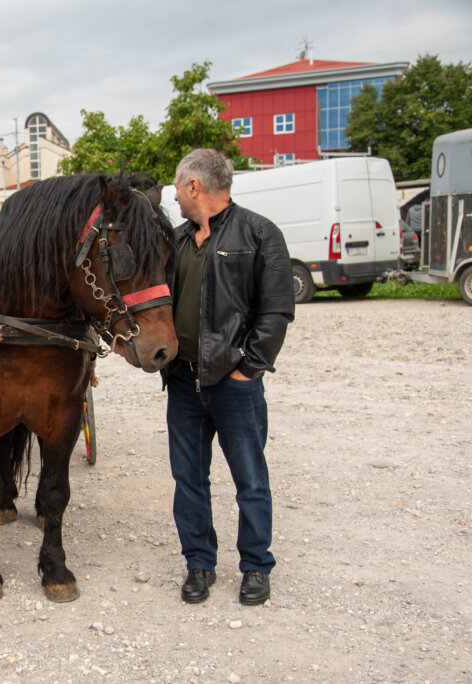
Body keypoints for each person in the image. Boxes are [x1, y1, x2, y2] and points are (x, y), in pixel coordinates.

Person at [162, 149, 295, 606]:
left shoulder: (259, 233)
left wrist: (247, 370)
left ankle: (256, 567)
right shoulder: (177, 240)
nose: (174, 194)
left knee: (250, 481)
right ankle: (199, 564)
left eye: (178, 186)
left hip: (234, 386)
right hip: (182, 382)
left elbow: (276, 312)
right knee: (188, 480)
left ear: (194, 186)